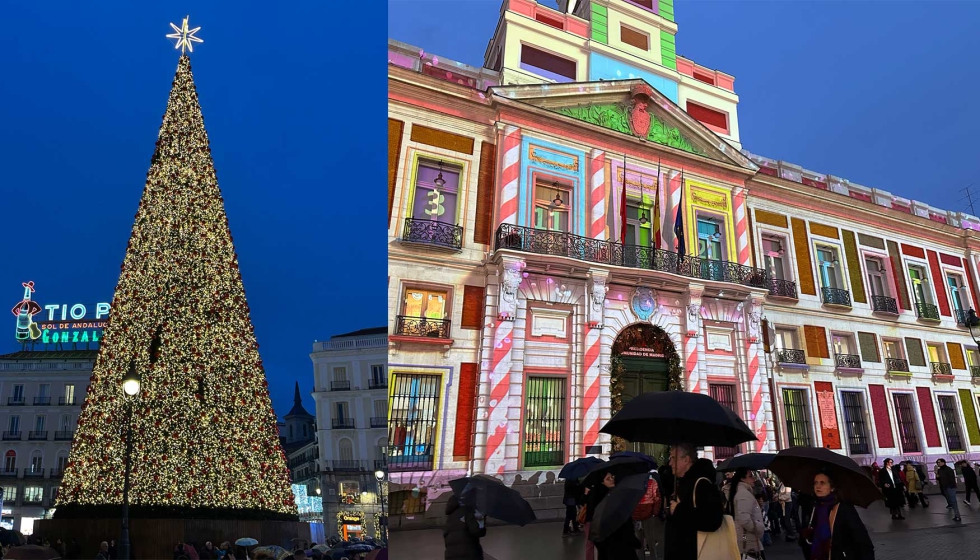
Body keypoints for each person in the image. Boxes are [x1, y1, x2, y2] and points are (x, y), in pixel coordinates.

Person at [664, 443, 724, 560]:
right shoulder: (683, 483)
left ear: (686, 459)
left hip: (695, 553)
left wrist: (679, 510)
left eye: (673, 458)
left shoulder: (702, 484)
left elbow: (713, 520)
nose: (670, 463)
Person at [799, 470, 874, 560]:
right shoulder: (814, 507)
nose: (818, 486)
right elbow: (807, 539)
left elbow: (863, 541)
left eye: (822, 483)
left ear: (832, 487)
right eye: (815, 483)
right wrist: (808, 536)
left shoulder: (844, 508)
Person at [592, 471, 642, 560]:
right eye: (608, 478)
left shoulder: (612, 494)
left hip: (611, 543)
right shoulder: (608, 498)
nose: (612, 479)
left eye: (612, 477)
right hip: (617, 543)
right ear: (602, 482)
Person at [728, 467, 764, 559]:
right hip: (747, 538)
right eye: (750, 476)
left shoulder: (742, 492)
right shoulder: (743, 493)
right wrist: (758, 527)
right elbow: (744, 519)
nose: (754, 479)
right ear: (743, 478)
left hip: (746, 537)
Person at [443, 493, 486, 560]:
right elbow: (477, 531)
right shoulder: (469, 510)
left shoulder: (451, 514)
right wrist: (481, 518)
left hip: (451, 554)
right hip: (468, 554)